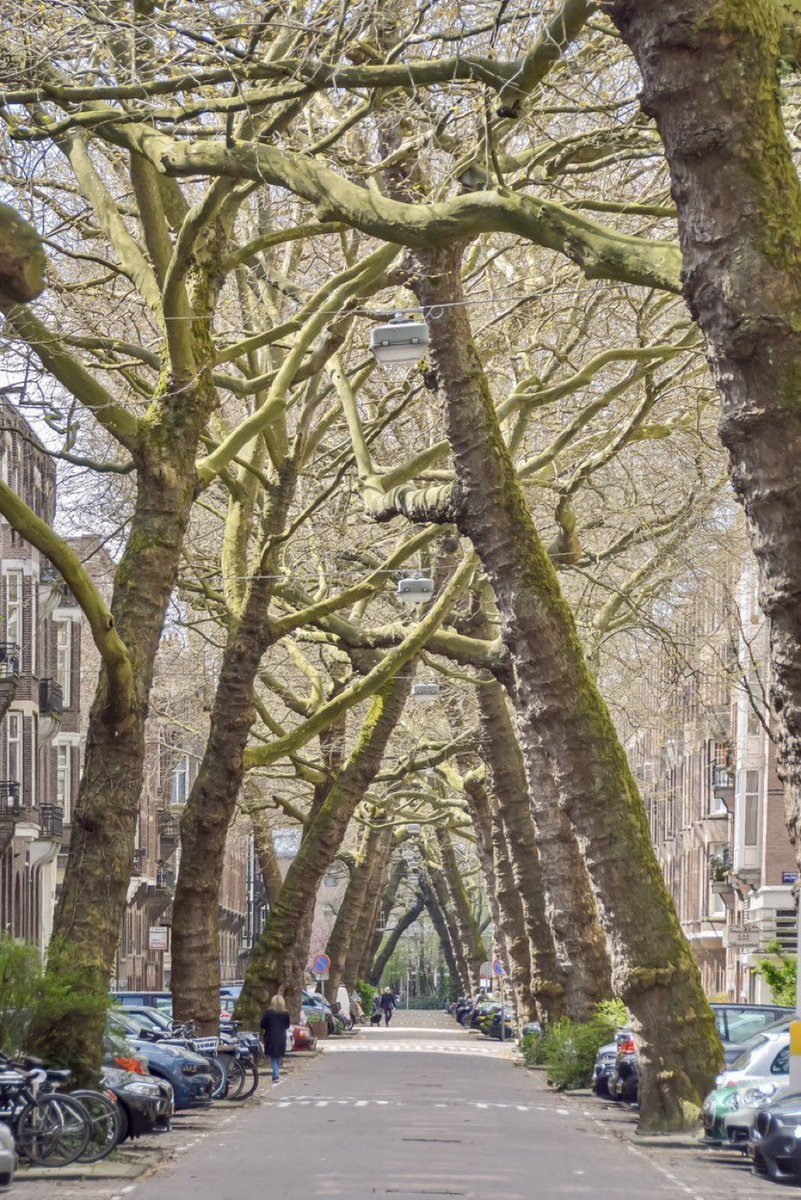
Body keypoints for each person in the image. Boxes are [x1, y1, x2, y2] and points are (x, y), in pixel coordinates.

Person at [260, 994, 291, 1083]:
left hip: (270, 1036)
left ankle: (276, 1076)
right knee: (278, 1057)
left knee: (273, 1057)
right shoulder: (285, 1014)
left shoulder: (268, 1013)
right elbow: (287, 1025)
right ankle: (276, 1075)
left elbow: (262, 1024)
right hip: (281, 1036)